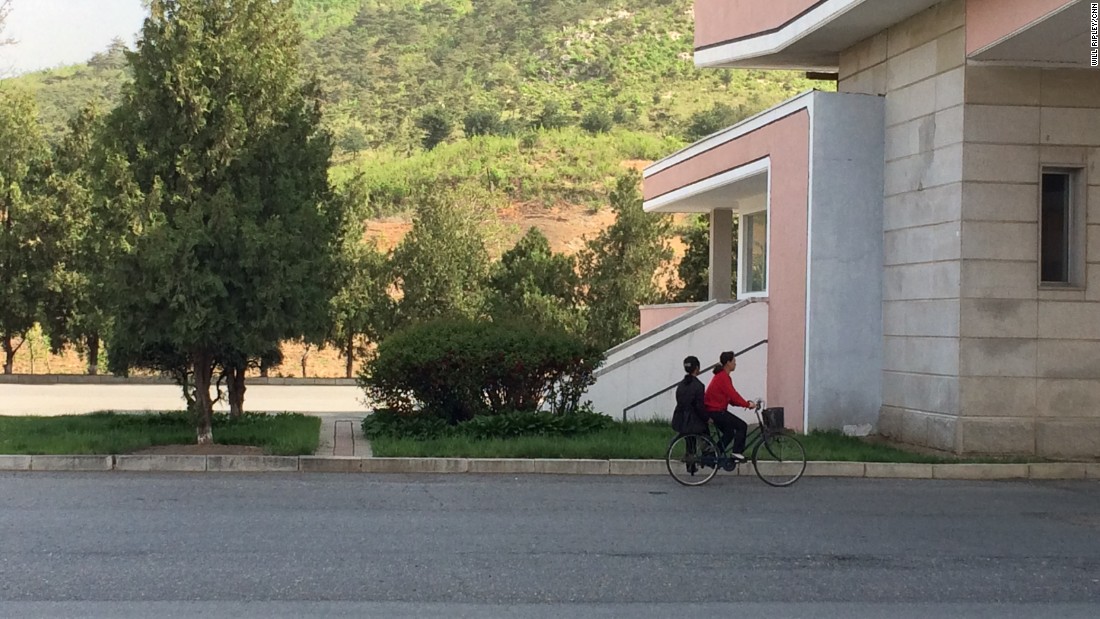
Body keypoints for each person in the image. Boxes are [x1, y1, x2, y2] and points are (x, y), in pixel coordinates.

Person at [702, 351, 756, 461]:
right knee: (742, 426)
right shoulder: (723, 377)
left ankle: (713, 456)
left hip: (714, 410)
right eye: (734, 361)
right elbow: (733, 394)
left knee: (729, 432)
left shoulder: (722, 376)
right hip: (716, 411)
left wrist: (744, 404)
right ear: (728, 363)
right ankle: (736, 453)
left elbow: (730, 399)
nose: (735, 364)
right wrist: (746, 404)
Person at [671, 356, 706, 436]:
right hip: (694, 421)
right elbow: (699, 406)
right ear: (697, 368)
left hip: (680, 419)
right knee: (705, 432)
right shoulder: (699, 385)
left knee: (689, 443)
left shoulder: (681, 385)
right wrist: (707, 418)